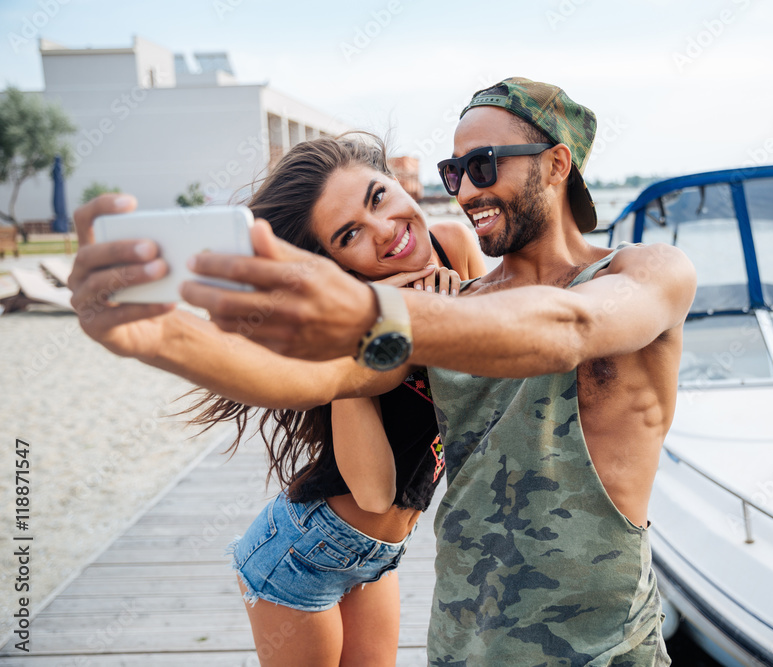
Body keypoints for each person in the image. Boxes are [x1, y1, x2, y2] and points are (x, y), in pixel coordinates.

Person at [69, 78, 696, 665]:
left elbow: (568, 328)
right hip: (463, 644)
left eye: (484, 166)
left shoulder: (647, 273)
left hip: (608, 648)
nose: (467, 191)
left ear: (557, 164)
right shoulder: (451, 310)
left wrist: (373, 308)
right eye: (454, 173)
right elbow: (323, 381)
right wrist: (164, 338)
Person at [74, 134, 486, 667]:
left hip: (378, 557)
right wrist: (366, 330)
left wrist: (444, 317)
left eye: (378, 197)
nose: (386, 231)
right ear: (334, 268)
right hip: (302, 556)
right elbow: (376, 492)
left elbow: (483, 390)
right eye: (349, 234)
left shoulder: (454, 242)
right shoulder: (347, 338)